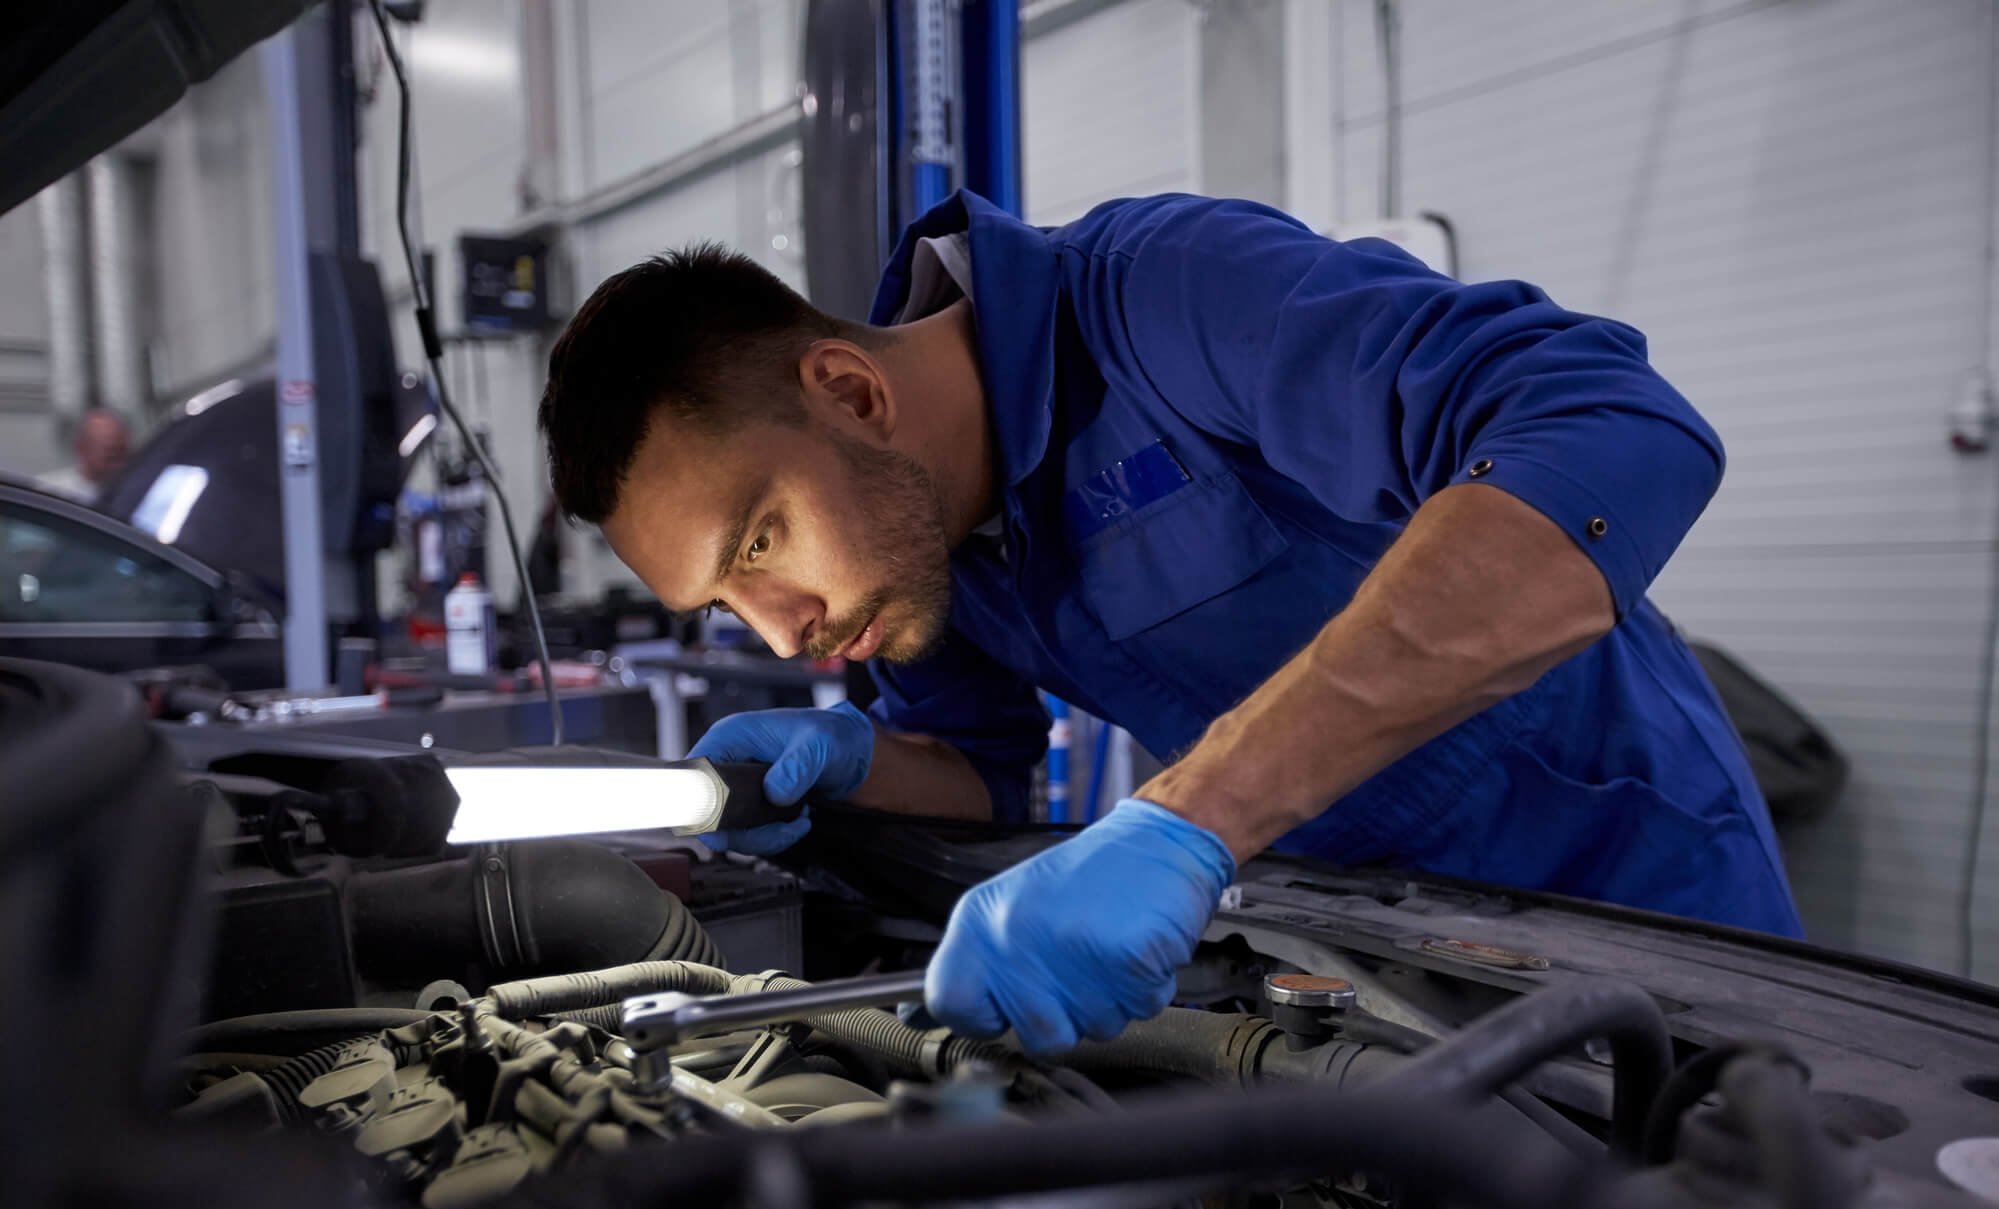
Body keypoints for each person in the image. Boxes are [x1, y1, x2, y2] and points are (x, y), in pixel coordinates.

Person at [537, 191, 1803, 1055]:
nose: (778, 629)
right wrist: (857, 762)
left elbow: (1613, 430)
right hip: (1358, 962)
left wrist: (1192, 819)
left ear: (850, 389)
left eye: (759, 542)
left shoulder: (1166, 298)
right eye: (724, 598)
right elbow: (982, 772)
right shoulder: (919, 552)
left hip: (1639, 903)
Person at [37, 406, 130, 505]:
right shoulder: (48, 492)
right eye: (110, 451)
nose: (119, 460)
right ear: (81, 448)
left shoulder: (133, 493)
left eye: (122, 451)